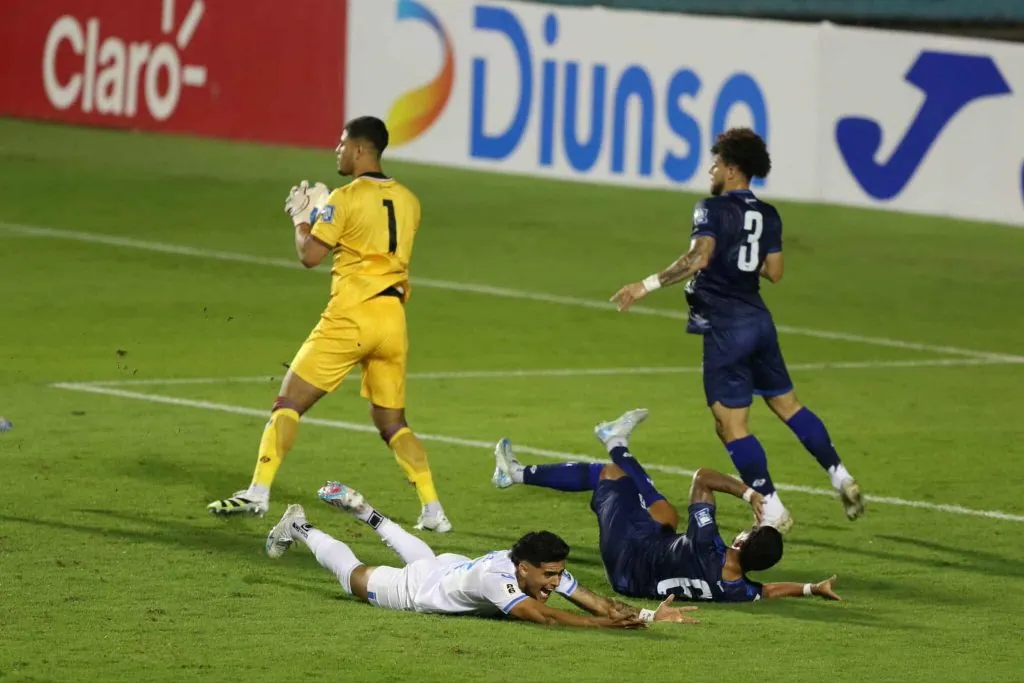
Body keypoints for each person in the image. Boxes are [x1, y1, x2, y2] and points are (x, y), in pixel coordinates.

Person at [609, 127, 864, 532]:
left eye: (715, 163)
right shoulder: (768, 215)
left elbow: (698, 257)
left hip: (726, 327)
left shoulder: (711, 209)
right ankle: (839, 474)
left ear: (730, 168)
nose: (711, 170)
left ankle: (773, 508)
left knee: (731, 425)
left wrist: (645, 285)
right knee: (788, 406)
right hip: (759, 321)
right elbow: (775, 272)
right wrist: (742, 259)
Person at [208, 116, 450, 532]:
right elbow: (368, 235)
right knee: (393, 423)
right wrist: (325, 213)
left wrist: (303, 218)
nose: (336, 151)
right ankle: (433, 509)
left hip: (351, 315)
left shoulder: (346, 197)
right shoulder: (410, 200)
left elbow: (310, 256)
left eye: (341, 144)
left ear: (359, 150)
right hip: (393, 320)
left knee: (289, 403)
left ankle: (259, 491)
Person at [491, 408, 844, 602]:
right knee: (665, 513)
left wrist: (751, 495)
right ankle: (615, 437)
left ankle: (516, 473)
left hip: (629, 551)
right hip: (643, 573)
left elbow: (703, 477)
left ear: (740, 542)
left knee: (610, 474)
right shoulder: (737, 589)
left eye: (749, 531)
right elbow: (766, 591)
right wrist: (811, 588)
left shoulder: (707, 544)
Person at [263, 481, 701, 629]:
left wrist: (645, 616)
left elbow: (595, 601)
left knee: (423, 555)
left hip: (448, 567)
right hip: (418, 589)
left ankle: (367, 513)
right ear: (524, 568)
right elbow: (545, 618)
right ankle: (299, 525)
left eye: (558, 575)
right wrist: (606, 626)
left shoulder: (536, 567)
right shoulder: (501, 580)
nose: (556, 582)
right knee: (353, 575)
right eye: (549, 575)